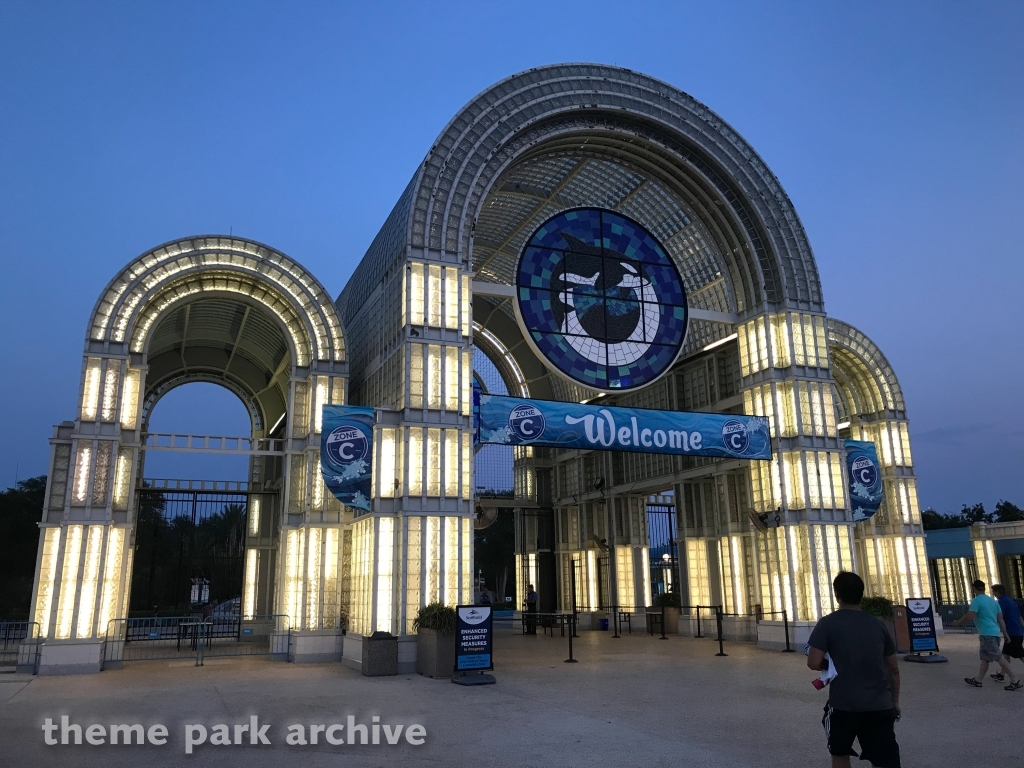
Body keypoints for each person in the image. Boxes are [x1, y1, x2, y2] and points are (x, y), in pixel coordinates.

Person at [807, 572, 900, 768]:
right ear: (861, 594)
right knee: (884, 759)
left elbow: (813, 662)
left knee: (840, 753)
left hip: (843, 704)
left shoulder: (828, 623)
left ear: (837, 595)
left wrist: (830, 663)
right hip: (879, 704)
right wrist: (895, 702)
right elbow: (893, 669)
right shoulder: (878, 624)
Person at [951, 579, 1019, 689]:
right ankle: (978, 680)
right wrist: (1005, 633)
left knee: (999, 657)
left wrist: (958, 622)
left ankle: (1014, 680)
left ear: (974, 589)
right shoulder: (993, 601)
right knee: (984, 658)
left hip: (987, 634)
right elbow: (1000, 618)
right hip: (994, 633)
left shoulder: (977, 601)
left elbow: (970, 616)